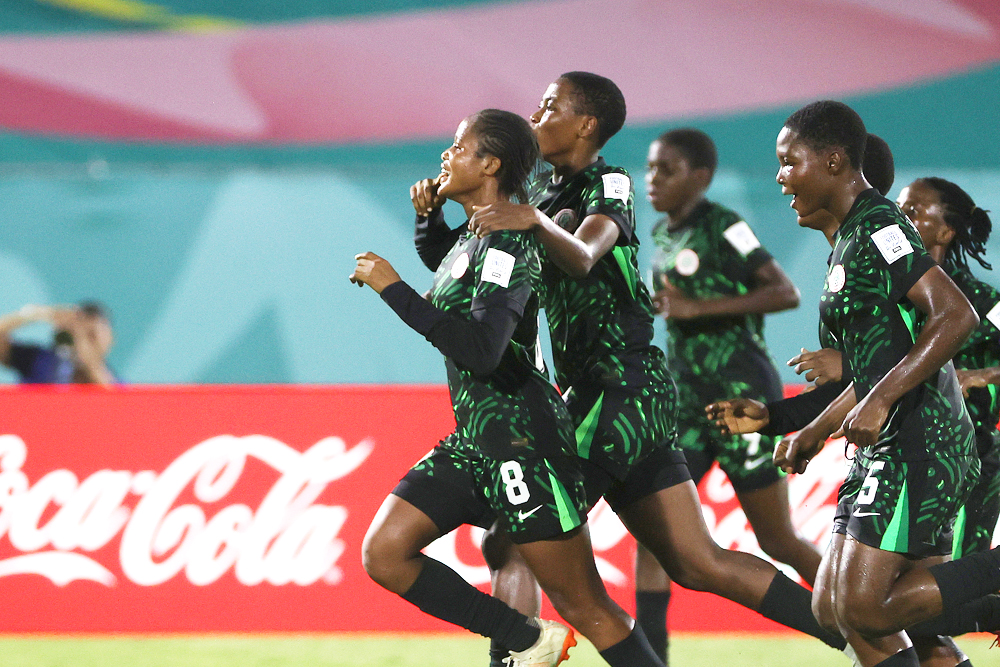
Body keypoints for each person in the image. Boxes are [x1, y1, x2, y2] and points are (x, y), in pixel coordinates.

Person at [463, 72, 846, 667]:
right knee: (696, 561)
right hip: (646, 394)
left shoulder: (612, 184)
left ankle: (512, 659)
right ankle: (860, 638)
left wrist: (535, 223)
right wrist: (439, 221)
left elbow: (587, 256)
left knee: (514, 539)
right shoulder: (543, 191)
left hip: (627, 390)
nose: (534, 116)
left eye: (548, 106)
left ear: (586, 124)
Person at [357, 108, 668, 667]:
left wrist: (393, 289)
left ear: (490, 163)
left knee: (587, 606)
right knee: (384, 552)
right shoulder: (473, 239)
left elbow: (482, 349)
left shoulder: (511, 242)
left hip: (526, 444)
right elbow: (450, 272)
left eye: (459, 147)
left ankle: (537, 642)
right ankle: (529, 640)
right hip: (476, 439)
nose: (446, 155)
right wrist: (429, 222)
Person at [708, 100, 1000, 667]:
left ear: (835, 162)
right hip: (886, 445)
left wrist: (884, 398)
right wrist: (811, 430)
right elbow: (873, 366)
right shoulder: (847, 245)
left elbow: (955, 315)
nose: (779, 176)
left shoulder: (880, 226)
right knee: (835, 610)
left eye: (789, 162)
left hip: (920, 441)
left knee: (866, 609)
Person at [640, 127, 818, 663]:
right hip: (686, 406)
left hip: (741, 398)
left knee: (778, 541)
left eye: (666, 170)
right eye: (649, 169)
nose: (652, 180)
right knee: (655, 533)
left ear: (701, 177)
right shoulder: (663, 235)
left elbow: (784, 291)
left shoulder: (725, 226)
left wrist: (697, 309)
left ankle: (864, 622)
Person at [0, 301, 117, 385]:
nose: (81, 341)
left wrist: (84, 351)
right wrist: (35, 314)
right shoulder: (39, 360)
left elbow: (115, 401)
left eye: (91, 336)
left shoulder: (112, 379)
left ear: (110, 341)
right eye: (73, 332)